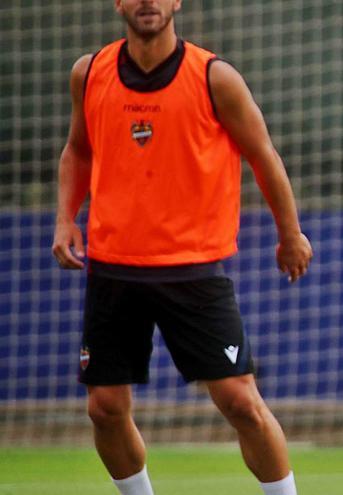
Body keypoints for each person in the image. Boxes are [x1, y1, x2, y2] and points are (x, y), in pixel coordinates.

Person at [51, 1, 312, 494]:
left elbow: (263, 155)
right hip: (113, 268)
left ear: (177, 2)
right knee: (104, 408)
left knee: (240, 401)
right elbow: (78, 149)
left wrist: (290, 234)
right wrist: (66, 218)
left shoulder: (215, 78)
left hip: (193, 270)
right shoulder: (89, 73)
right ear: (118, 3)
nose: (148, 1)